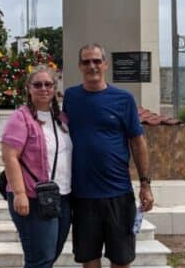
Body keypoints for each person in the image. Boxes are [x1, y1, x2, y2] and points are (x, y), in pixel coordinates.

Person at [63, 43, 154, 268]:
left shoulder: (124, 99)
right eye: (86, 62)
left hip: (118, 194)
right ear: (79, 66)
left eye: (96, 61)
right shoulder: (71, 97)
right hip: (83, 195)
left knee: (121, 259)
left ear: (105, 64)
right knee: (89, 259)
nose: (92, 66)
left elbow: (138, 141)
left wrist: (145, 184)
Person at [1, 65, 72, 267]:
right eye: (37, 84)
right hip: (33, 198)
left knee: (51, 254)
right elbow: (10, 157)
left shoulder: (61, 118)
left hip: (62, 195)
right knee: (40, 259)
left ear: (55, 88)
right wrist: (20, 193)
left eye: (48, 84)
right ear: (28, 88)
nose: (43, 89)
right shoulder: (20, 118)